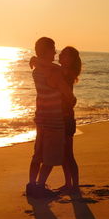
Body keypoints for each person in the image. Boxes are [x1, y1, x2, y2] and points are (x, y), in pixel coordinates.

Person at [26, 37, 76, 198]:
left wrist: (38, 61)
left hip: (40, 117)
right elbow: (69, 95)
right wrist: (71, 100)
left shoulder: (36, 71)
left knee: (38, 154)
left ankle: (32, 185)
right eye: (53, 49)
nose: (55, 52)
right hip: (54, 120)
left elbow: (52, 68)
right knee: (51, 156)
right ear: (47, 51)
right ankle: (40, 186)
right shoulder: (55, 73)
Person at [57, 46, 82, 193]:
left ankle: (75, 185)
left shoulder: (66, 72)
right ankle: (69, 184)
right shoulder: (62, 71)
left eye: (64, 54)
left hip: (66, 118)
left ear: (70, 59)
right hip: (63, 116)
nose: (60, 55)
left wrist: (37, 60)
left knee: (68, 154)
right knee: (64, 154)